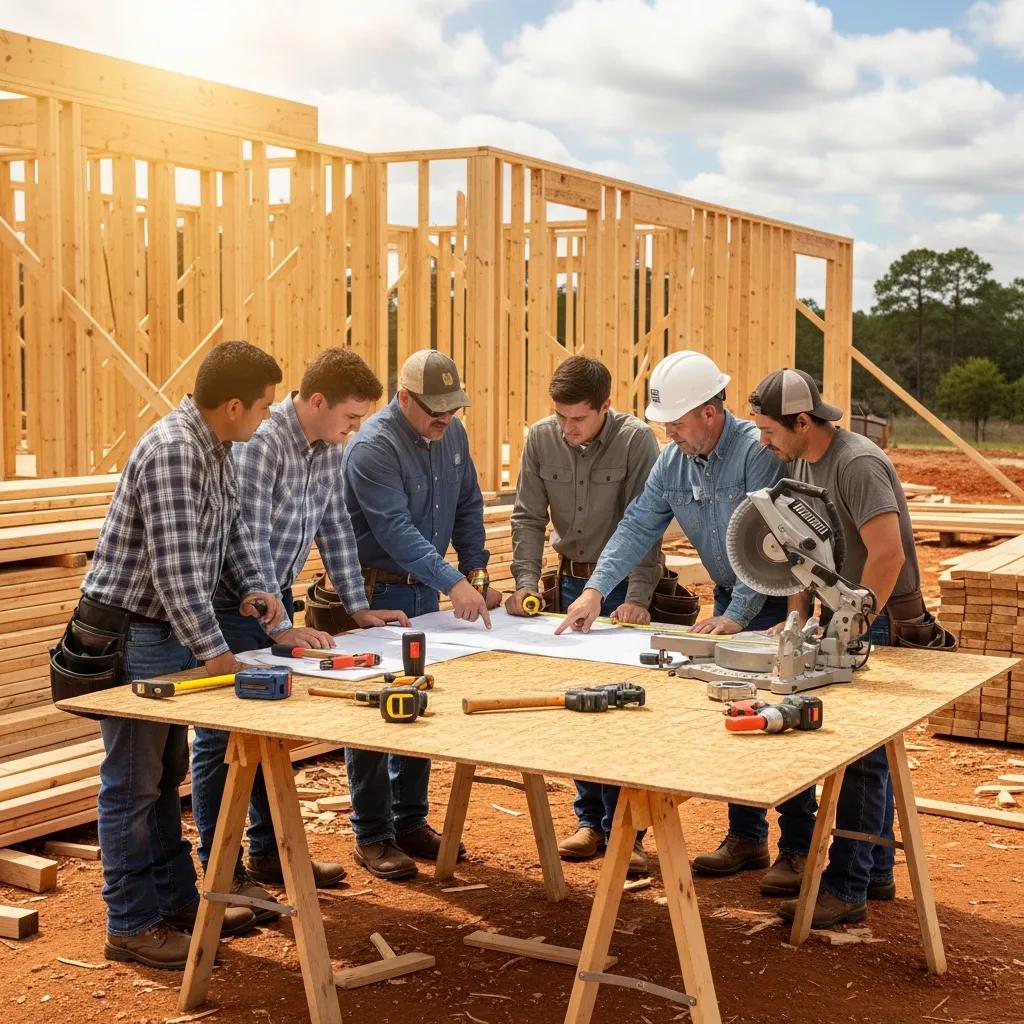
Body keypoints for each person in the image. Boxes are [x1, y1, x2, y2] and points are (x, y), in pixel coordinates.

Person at [556, 351, 818, 887]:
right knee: (740, 713)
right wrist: (594, 591)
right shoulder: (672, 461)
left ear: (709, 412)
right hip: (730, 597)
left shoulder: (756, 453)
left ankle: (797, 849)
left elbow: (771, 540)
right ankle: (747, 838)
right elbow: (637, 525)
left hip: (776, 597)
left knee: (785, 720)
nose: (669, 433)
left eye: (675, 422)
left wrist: (738, 616)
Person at [80, 340, 285, 969]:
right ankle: (130, 924)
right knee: (133, 783)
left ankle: (174, 903)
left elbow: (234, 532)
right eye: (264, 407)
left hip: (162, 630)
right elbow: (175, 573)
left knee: (166, 775)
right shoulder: (174, 452)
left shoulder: (215, 447)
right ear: (233, 406)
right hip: (134, 632)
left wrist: (256, 588)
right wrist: (216, 653)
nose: (267, 419)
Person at [190, 348, 411, 919]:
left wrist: (357, 607)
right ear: (317, 401)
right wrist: (281, 626)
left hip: (270, 602)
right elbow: (248, 537)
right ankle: (222, 869)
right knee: (223, 738)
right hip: (233, 602)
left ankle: (269, 854)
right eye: (351, 416)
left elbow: (335, 525)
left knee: (271, 728)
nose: (355, 427)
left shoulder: (327, 448)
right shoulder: (263, 443)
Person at [749, 367, 925, 927]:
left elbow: (888, 554)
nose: (763, 441)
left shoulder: (856, 463)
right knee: (865, 755)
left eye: (769, 430)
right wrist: (798, 618)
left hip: (877, 613)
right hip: (843, 610)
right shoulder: (801, 459)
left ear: (803, 421)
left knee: (860, 758)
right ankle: (874, 874)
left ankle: (846, 888)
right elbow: (802, 550)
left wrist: (856, 622)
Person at [342, 349, 502, 880]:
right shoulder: (373, 446)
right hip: (376, 598)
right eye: (436, 410)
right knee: (373, 708)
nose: (446, 419)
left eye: (453, 409)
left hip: (423, 594)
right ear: (404, 398)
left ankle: (410, 820)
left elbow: (468, 506)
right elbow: (395, 531)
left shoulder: (451, 435)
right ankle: (372, 832)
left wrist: (476, 573)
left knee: (416, 699)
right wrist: (453, 582)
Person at [507, 355, 660, 875]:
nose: (567, 429)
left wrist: (637, 596)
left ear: (605, 407)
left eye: (578, 419)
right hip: (570, 585)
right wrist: (526, 584)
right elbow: (528, 517)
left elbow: (645, 523)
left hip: (622, 590)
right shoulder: (540, 439)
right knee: (580, 707)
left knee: (621, 713)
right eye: (560, 417)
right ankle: (590, 821)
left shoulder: (637, 442)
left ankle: (627, 831)